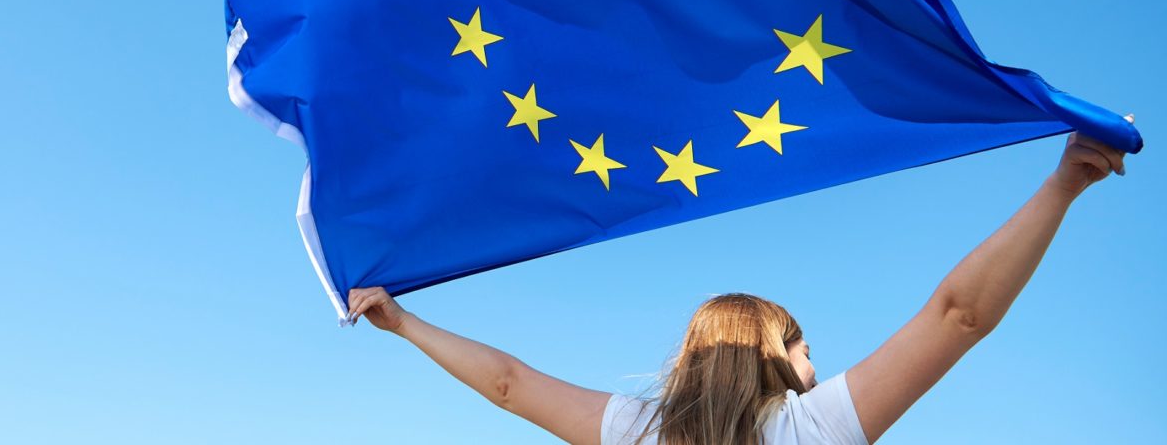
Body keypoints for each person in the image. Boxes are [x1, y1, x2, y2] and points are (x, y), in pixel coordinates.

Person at [346, 133, 1127, 445]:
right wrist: (1062, 186)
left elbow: (511, 386)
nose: (817, 362)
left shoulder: (638, 431)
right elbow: (958, 316)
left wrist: (407, 324)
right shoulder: (811, 429)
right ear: (775, 356)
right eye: (806, 346)